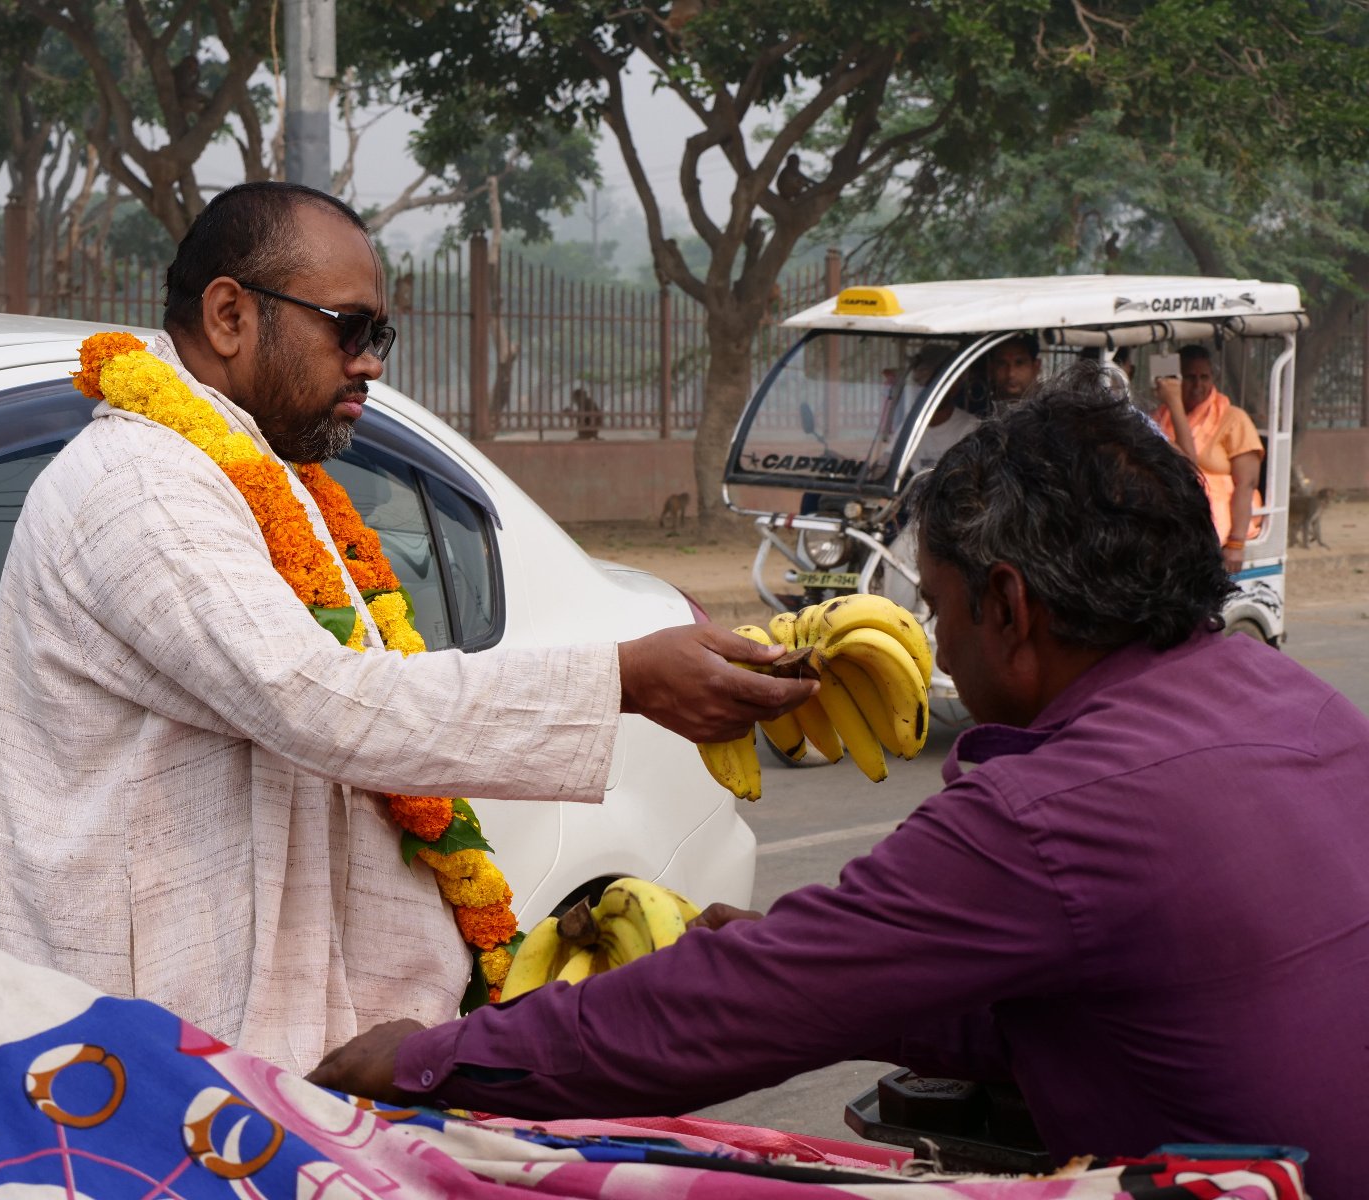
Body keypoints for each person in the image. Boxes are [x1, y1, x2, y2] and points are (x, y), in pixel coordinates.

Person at [308, 364, 1369, 1200]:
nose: (936, 643)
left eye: (939, 609)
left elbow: (729, 1015)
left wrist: (426, 1063)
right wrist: (851, 984)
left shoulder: (1050, 811)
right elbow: (1092, 1004)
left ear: (1007, 606)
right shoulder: (1298, 702)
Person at [0, 182, 813, 1077]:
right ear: (229, 315)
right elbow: (317, 701)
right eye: (350, 328)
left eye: (381, 335)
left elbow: (347, 714)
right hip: (144, 1068)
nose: (370, 363)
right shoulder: (140, 484)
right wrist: (623, 681)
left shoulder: (266, 480)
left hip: (282, 1057)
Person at [1152, 344, 1263, 572]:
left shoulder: (1234, 419)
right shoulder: (1161, 417)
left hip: (1219, 524)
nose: (1198, 385)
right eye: (1190, 378)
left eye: (1204, 377)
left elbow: (1246, 484)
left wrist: (1236, 543)